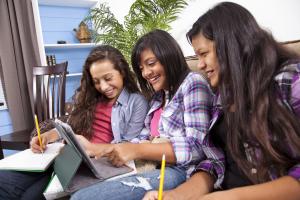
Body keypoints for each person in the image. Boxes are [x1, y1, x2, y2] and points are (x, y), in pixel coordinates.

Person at [143, 2, 300, 200]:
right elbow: (214, 163)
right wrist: (176, 195)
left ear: (231, 46)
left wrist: (233, 197)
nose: (199, 64)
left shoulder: (290, 80)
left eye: (204, 54)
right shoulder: (223, 97)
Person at [70, 29, 218, 200]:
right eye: (141, 68)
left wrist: (136, 150)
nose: (146, 73)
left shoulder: (192, 83)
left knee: (82, 198)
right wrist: (105, 149)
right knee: (78, 187)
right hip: (149, 165)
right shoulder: (158, 97)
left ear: (168, 55)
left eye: (151, 63)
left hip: (179, 170)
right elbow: (142, 137)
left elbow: (197, 148)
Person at [0, 45, 149, 200]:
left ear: (122, 71)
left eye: (108, 78)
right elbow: (70, 126)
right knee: (3, 181)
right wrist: (48, 136)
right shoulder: (89, 96)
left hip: (91, 165)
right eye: (96, 81)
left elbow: (128, 148)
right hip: (65, 155)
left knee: (30, 196)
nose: (103, 87)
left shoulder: (136, 102)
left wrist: (92, 148)